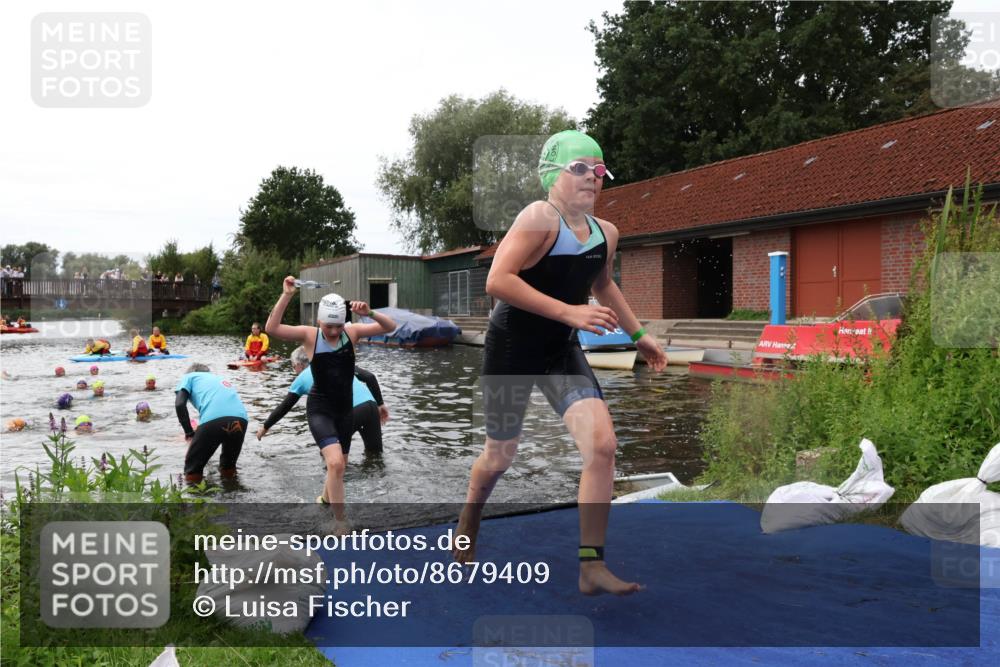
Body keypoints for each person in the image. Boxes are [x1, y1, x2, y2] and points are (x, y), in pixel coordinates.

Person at [453, 130, 668, 596]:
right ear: (552, 175)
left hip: (559, 349)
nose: (592, 178)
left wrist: (640, 336)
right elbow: (497, 280)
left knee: (603, 446)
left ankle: (591, 565)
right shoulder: (539, 218)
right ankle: (471, 512)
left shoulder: (606, 233)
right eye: (579, 168)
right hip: (512, 348)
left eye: (599, 170)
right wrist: (570, 312)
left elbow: (603, 285)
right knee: (500, 456)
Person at [265, 279, 395, 529]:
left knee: (339, 467)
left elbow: (390, 327)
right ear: (318, 321)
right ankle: (340, 522)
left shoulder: (352, 333)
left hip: (345, 411)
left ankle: (325, 500)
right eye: (328, 326)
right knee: (335, 463)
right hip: (320, 410)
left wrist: (370, 313)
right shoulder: (309, 336)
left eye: (338, 326)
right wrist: (287, 295)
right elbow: (272, 327)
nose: (334, 332)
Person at [256, 346, 390, 457]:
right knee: (375, 456)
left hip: (351, 409)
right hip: (371, 406)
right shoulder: (335, 362)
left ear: (298, 365)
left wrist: (265, 427)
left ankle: (338, 481)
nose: (294, 370)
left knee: (328, 452)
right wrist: (380, 404)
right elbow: (370, 377)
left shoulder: (301, 378)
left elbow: (285, 406)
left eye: (293, 367)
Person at [174, 363, 249, 483]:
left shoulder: (189, 376)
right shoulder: (219, 378)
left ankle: (194, 493)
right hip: (241, 418)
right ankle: (232, 489)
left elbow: (179, 404)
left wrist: (189, 433)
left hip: (214, 419)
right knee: (228, 465)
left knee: (193, 469)